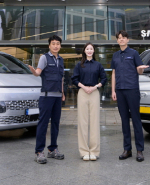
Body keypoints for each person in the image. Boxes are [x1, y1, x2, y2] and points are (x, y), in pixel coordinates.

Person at [111, 30, 148, 162]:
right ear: (117, 40)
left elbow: (139, 70)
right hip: (120, 91)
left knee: (136, 120)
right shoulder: (115, 55)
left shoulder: (133, 53)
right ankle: (127, 149)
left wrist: (141, 68)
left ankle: (139, 150)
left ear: (127, 40)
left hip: (132, 90)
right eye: (119, 38)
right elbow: (114, 73)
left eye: (123, 38)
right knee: (124, 121)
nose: (121, 40)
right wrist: (113, 90)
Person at [28, 35, 66, 164]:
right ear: (49, 45)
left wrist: (63, 93)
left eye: (58, 44)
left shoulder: (61, 60)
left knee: (55, 124)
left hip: (57, 96)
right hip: (46, 96)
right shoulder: (44, 57)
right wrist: (34, 71)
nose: (56, 46)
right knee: (43, 124)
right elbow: (38, 72)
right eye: (53, 43)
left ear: (60, 46)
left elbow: (61, 78)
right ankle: (39, 152)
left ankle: (52, 149)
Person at [71, 43, 107, 161]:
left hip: (94, 92)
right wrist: (84, 87)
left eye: (91, 49)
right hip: (83, 92)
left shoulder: (98, 65)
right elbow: (74, 79)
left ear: (94, 51)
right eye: (87, 49)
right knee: (83, 122)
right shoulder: (79, 65)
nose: (89, 50)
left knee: (94, 121)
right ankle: (84, 151)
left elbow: (104, 78)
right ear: (84, 51)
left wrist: (95, 87)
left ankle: (94, 151)